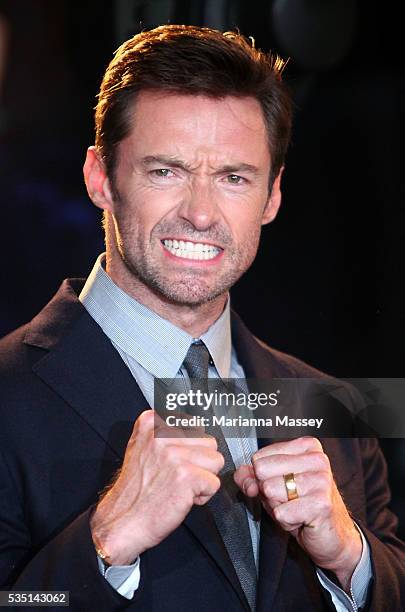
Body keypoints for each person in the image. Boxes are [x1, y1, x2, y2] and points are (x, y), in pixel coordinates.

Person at [0, 24, 403, 612]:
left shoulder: (329, 403)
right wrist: (105, 543)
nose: (200, 214)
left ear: (271, 198)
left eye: (233, 178)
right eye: (166, 171)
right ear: (100, 178)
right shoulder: (8, 396)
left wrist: (350, 557)